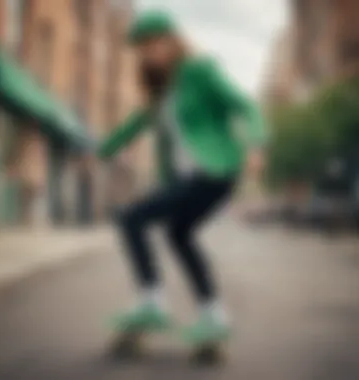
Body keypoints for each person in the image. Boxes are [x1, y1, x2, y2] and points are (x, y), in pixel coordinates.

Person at [96, 10, 267, 345]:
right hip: (189, 179)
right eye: (143, 49)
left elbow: (245, 105)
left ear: (172, 40)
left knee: (132, 218)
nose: (149, 53)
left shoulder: (201, 72)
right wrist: (100, 149)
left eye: (154, 43)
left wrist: (256, 144)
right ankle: (213, 314)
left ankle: (152, 301)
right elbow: (135, 123)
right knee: (178, 236)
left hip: (213, 171)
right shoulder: (163, 91)